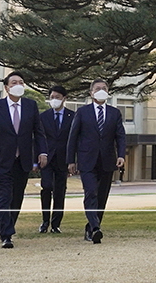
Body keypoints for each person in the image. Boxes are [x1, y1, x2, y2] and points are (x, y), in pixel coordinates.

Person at [0, 71, 48, 249]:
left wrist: (42, 152)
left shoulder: (31, 106)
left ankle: (5, 223)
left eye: (21, 82)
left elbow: (38, 132)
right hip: (0, 159)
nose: (18, 85)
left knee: (16, 197)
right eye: (14, 82)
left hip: (22, 160)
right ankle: (6, 235)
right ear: (7, 87)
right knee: (4, 194)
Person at [67, 79, 126, 244]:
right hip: (87, 160)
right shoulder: (82, 112)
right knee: (91, 192)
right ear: (91, 93)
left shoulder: (114, 113)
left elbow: (120, 136)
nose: (101, 90)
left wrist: (121, 155)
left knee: (101, 197)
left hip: (107, 160)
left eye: (104, 88)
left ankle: (92, 226)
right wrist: (71, 160)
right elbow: (73, 137)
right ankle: (95, 228)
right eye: (98, 88)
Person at [39, 85, 74, 234]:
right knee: (46, 187)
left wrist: (72, 160)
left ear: (64, 99)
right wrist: (38, 157)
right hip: (46, 158)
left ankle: (56, 224)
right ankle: (45, 221)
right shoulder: (43, 116)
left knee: (60, 191)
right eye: (52, 97)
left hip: (63, 159)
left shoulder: (72, 116)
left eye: (57, 97)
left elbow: (74, 140)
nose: (54, 100)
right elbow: (38, 138)